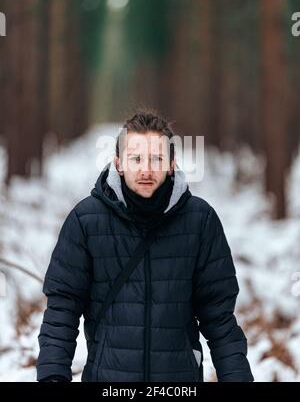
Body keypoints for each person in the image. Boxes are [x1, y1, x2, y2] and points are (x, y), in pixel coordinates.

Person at [36, 109, 254, 382]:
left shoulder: (200, 221)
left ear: (171, 164)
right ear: (118, 163)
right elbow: (61, 312)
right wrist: (52, 377)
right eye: (136, 158)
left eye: (156, 158)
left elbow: (219, 318)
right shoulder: (85, 221)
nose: (146, 170)